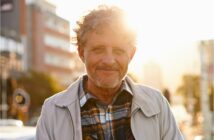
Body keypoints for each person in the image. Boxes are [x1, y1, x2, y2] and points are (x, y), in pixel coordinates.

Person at [36, 5, 183, 140]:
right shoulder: (52, 112)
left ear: (131, 55)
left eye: (118, 51)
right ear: (81, 53)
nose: (109, 60)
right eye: (98, 49)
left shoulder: (157, 104)